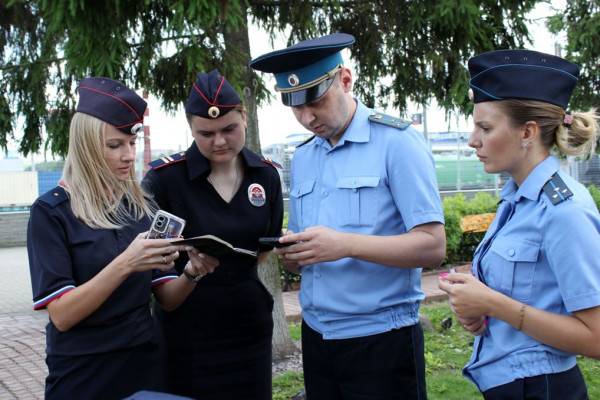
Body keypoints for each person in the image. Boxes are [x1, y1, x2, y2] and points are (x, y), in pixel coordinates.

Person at [250, 33, 446, 400]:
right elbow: (311, 248)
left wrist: (344, 245)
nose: (308, 117)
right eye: (295, 107)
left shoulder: (397, 142)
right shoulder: (307, 156)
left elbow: (433, 246)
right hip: (318, 336)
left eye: (317, 101)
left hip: (381, 341)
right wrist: (296, 255)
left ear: (345, 79)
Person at [27, 77, 207, 400]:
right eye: (115, 145)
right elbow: (62, 315)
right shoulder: (51, 213)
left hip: (144, 365)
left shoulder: (140, 207)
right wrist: (126, 263)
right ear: (86, 146)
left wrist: (193, 272)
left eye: (132, 143)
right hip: (83, 373)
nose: (128, 155)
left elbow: (167, 298)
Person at [438, 49, 600, 399]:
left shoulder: (563, 209)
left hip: (541, 388)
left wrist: (494, 304)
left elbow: (596, 336)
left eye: (485, 127)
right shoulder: (517, 200)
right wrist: (475, 306)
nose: (472, 140)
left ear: (527, 132)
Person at [142, 69, 284, 400]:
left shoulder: (265, 176)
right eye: (205, 133)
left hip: (248, 328)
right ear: (190, 128)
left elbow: (263, 250)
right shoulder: (165, 179)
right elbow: (153, 264)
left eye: (228, 129)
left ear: (244, 116)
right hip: (188, 333)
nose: (219, 141)